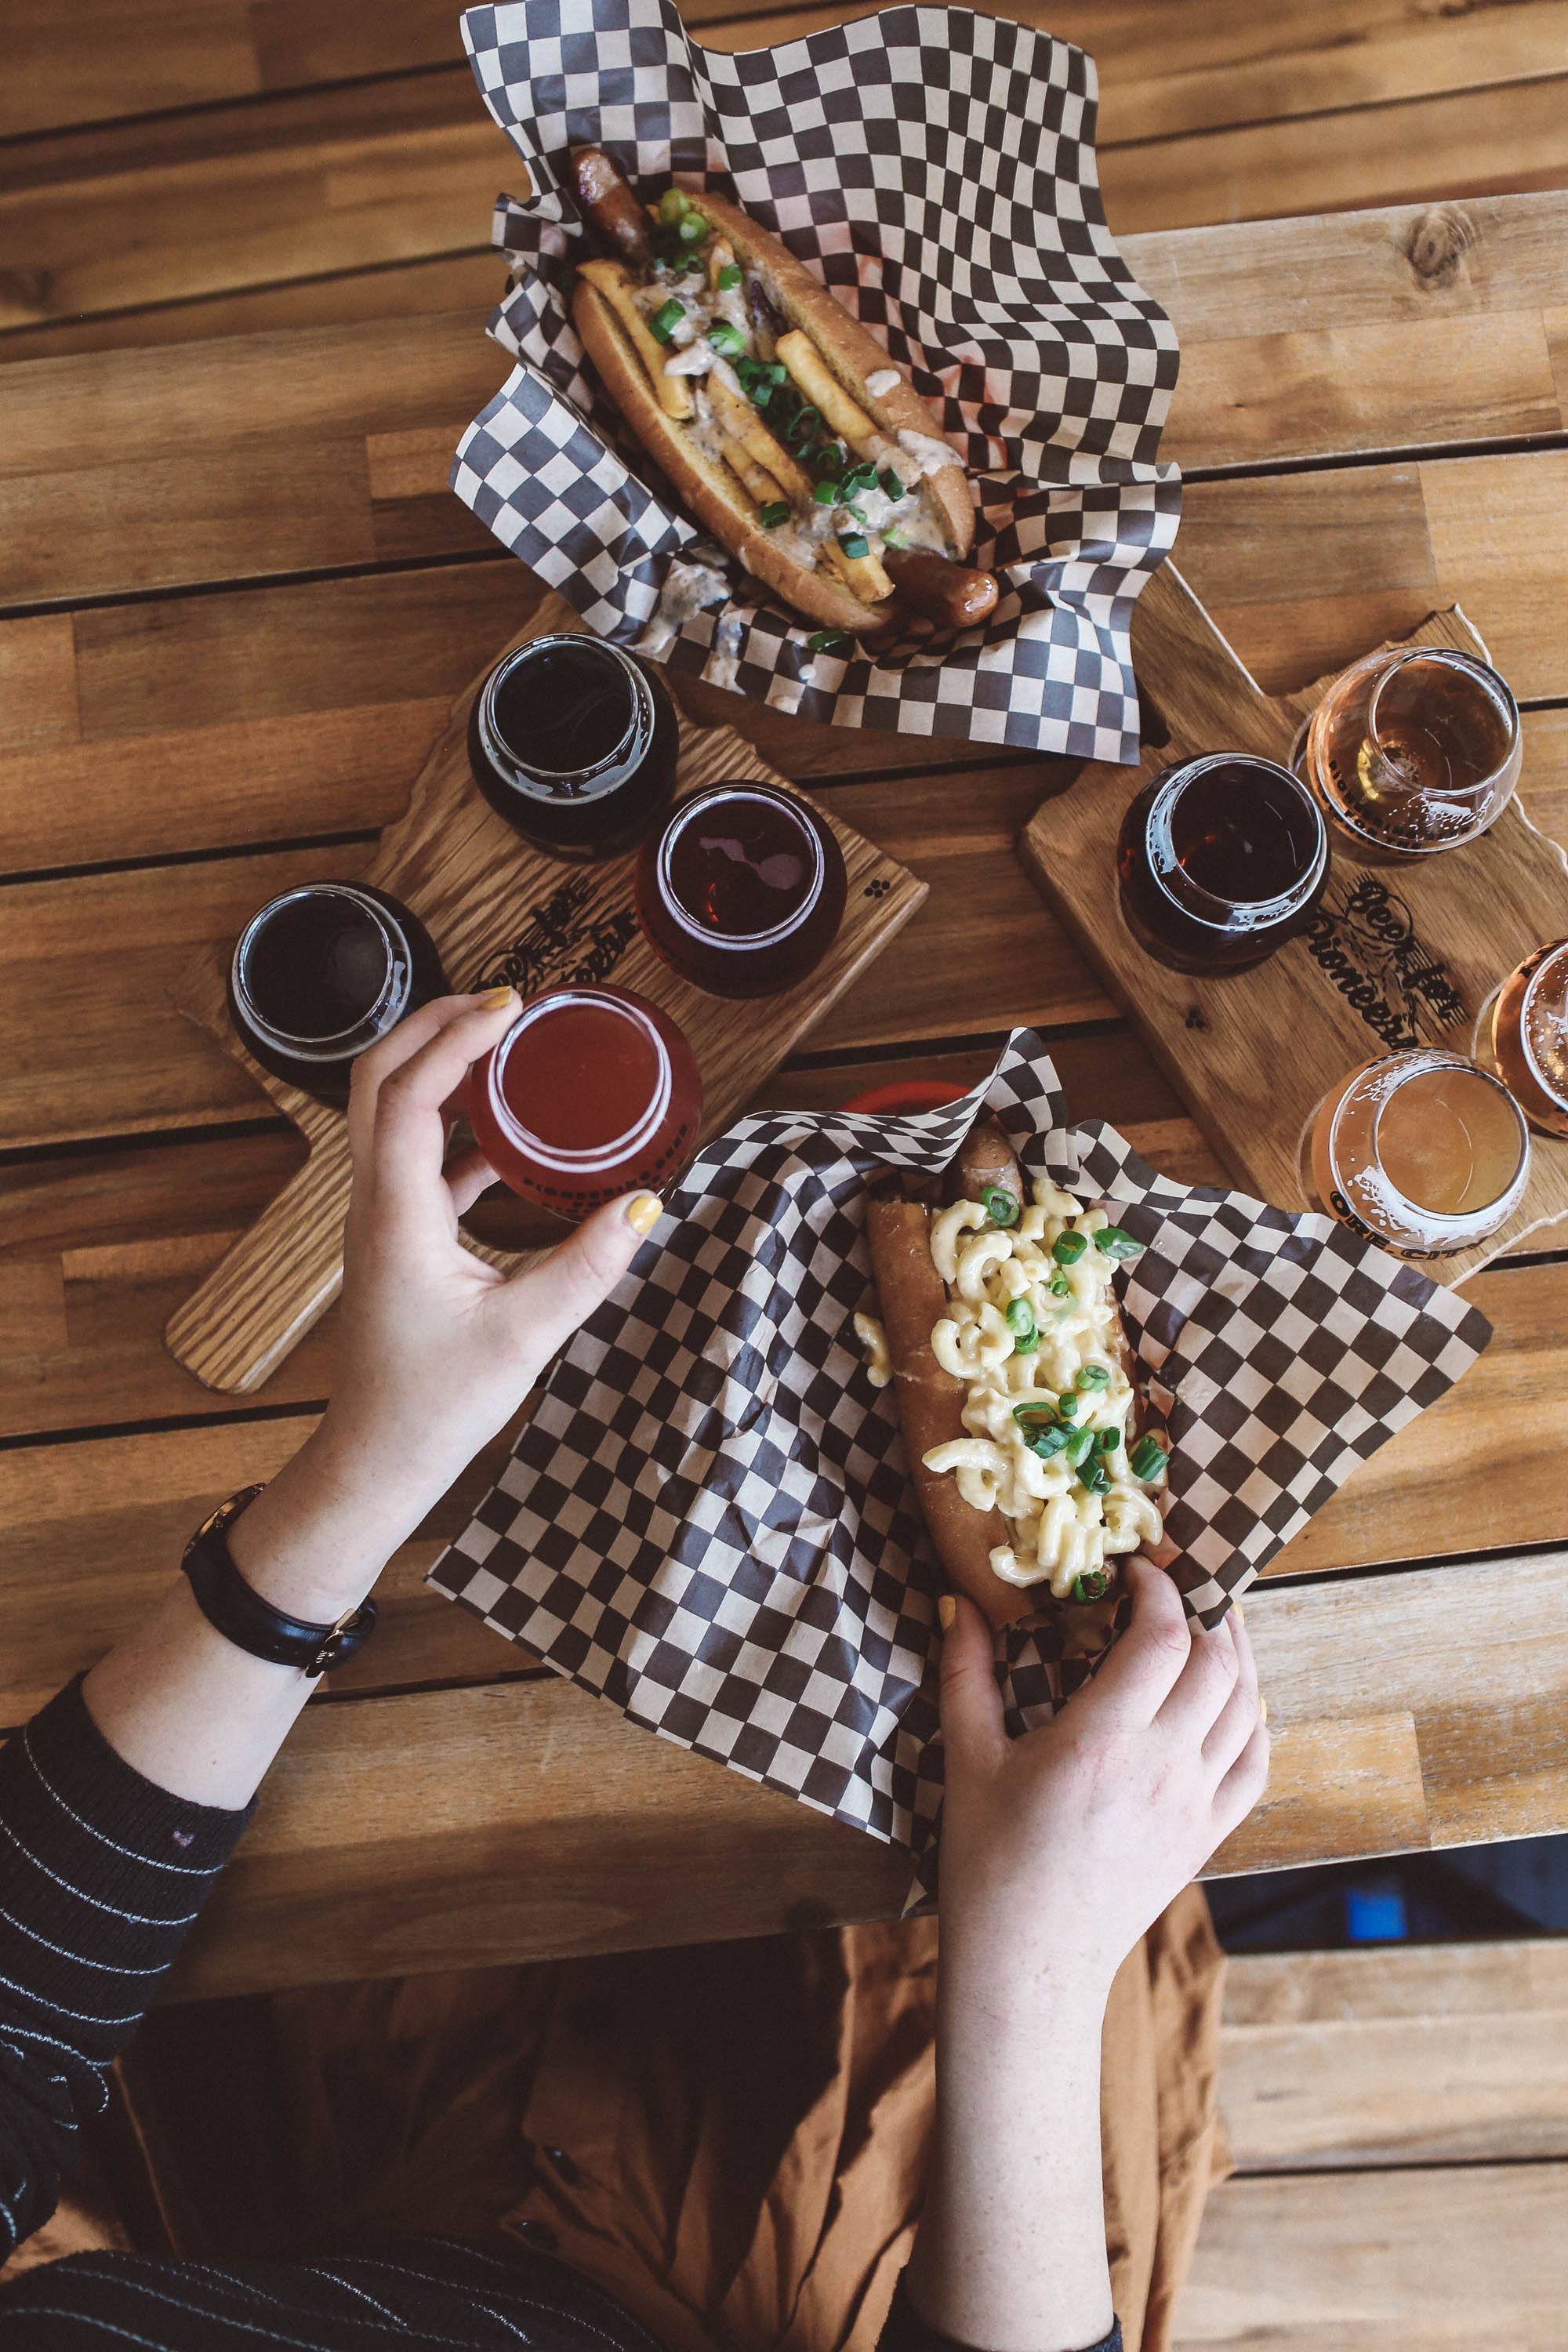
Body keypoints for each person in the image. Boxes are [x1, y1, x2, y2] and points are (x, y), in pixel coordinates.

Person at [0, 991, 1269, 2352]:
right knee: (1114, 1839)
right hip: (839, 2257)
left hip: (411, 2186)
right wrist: (1034, 1970)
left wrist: (367, 1464)